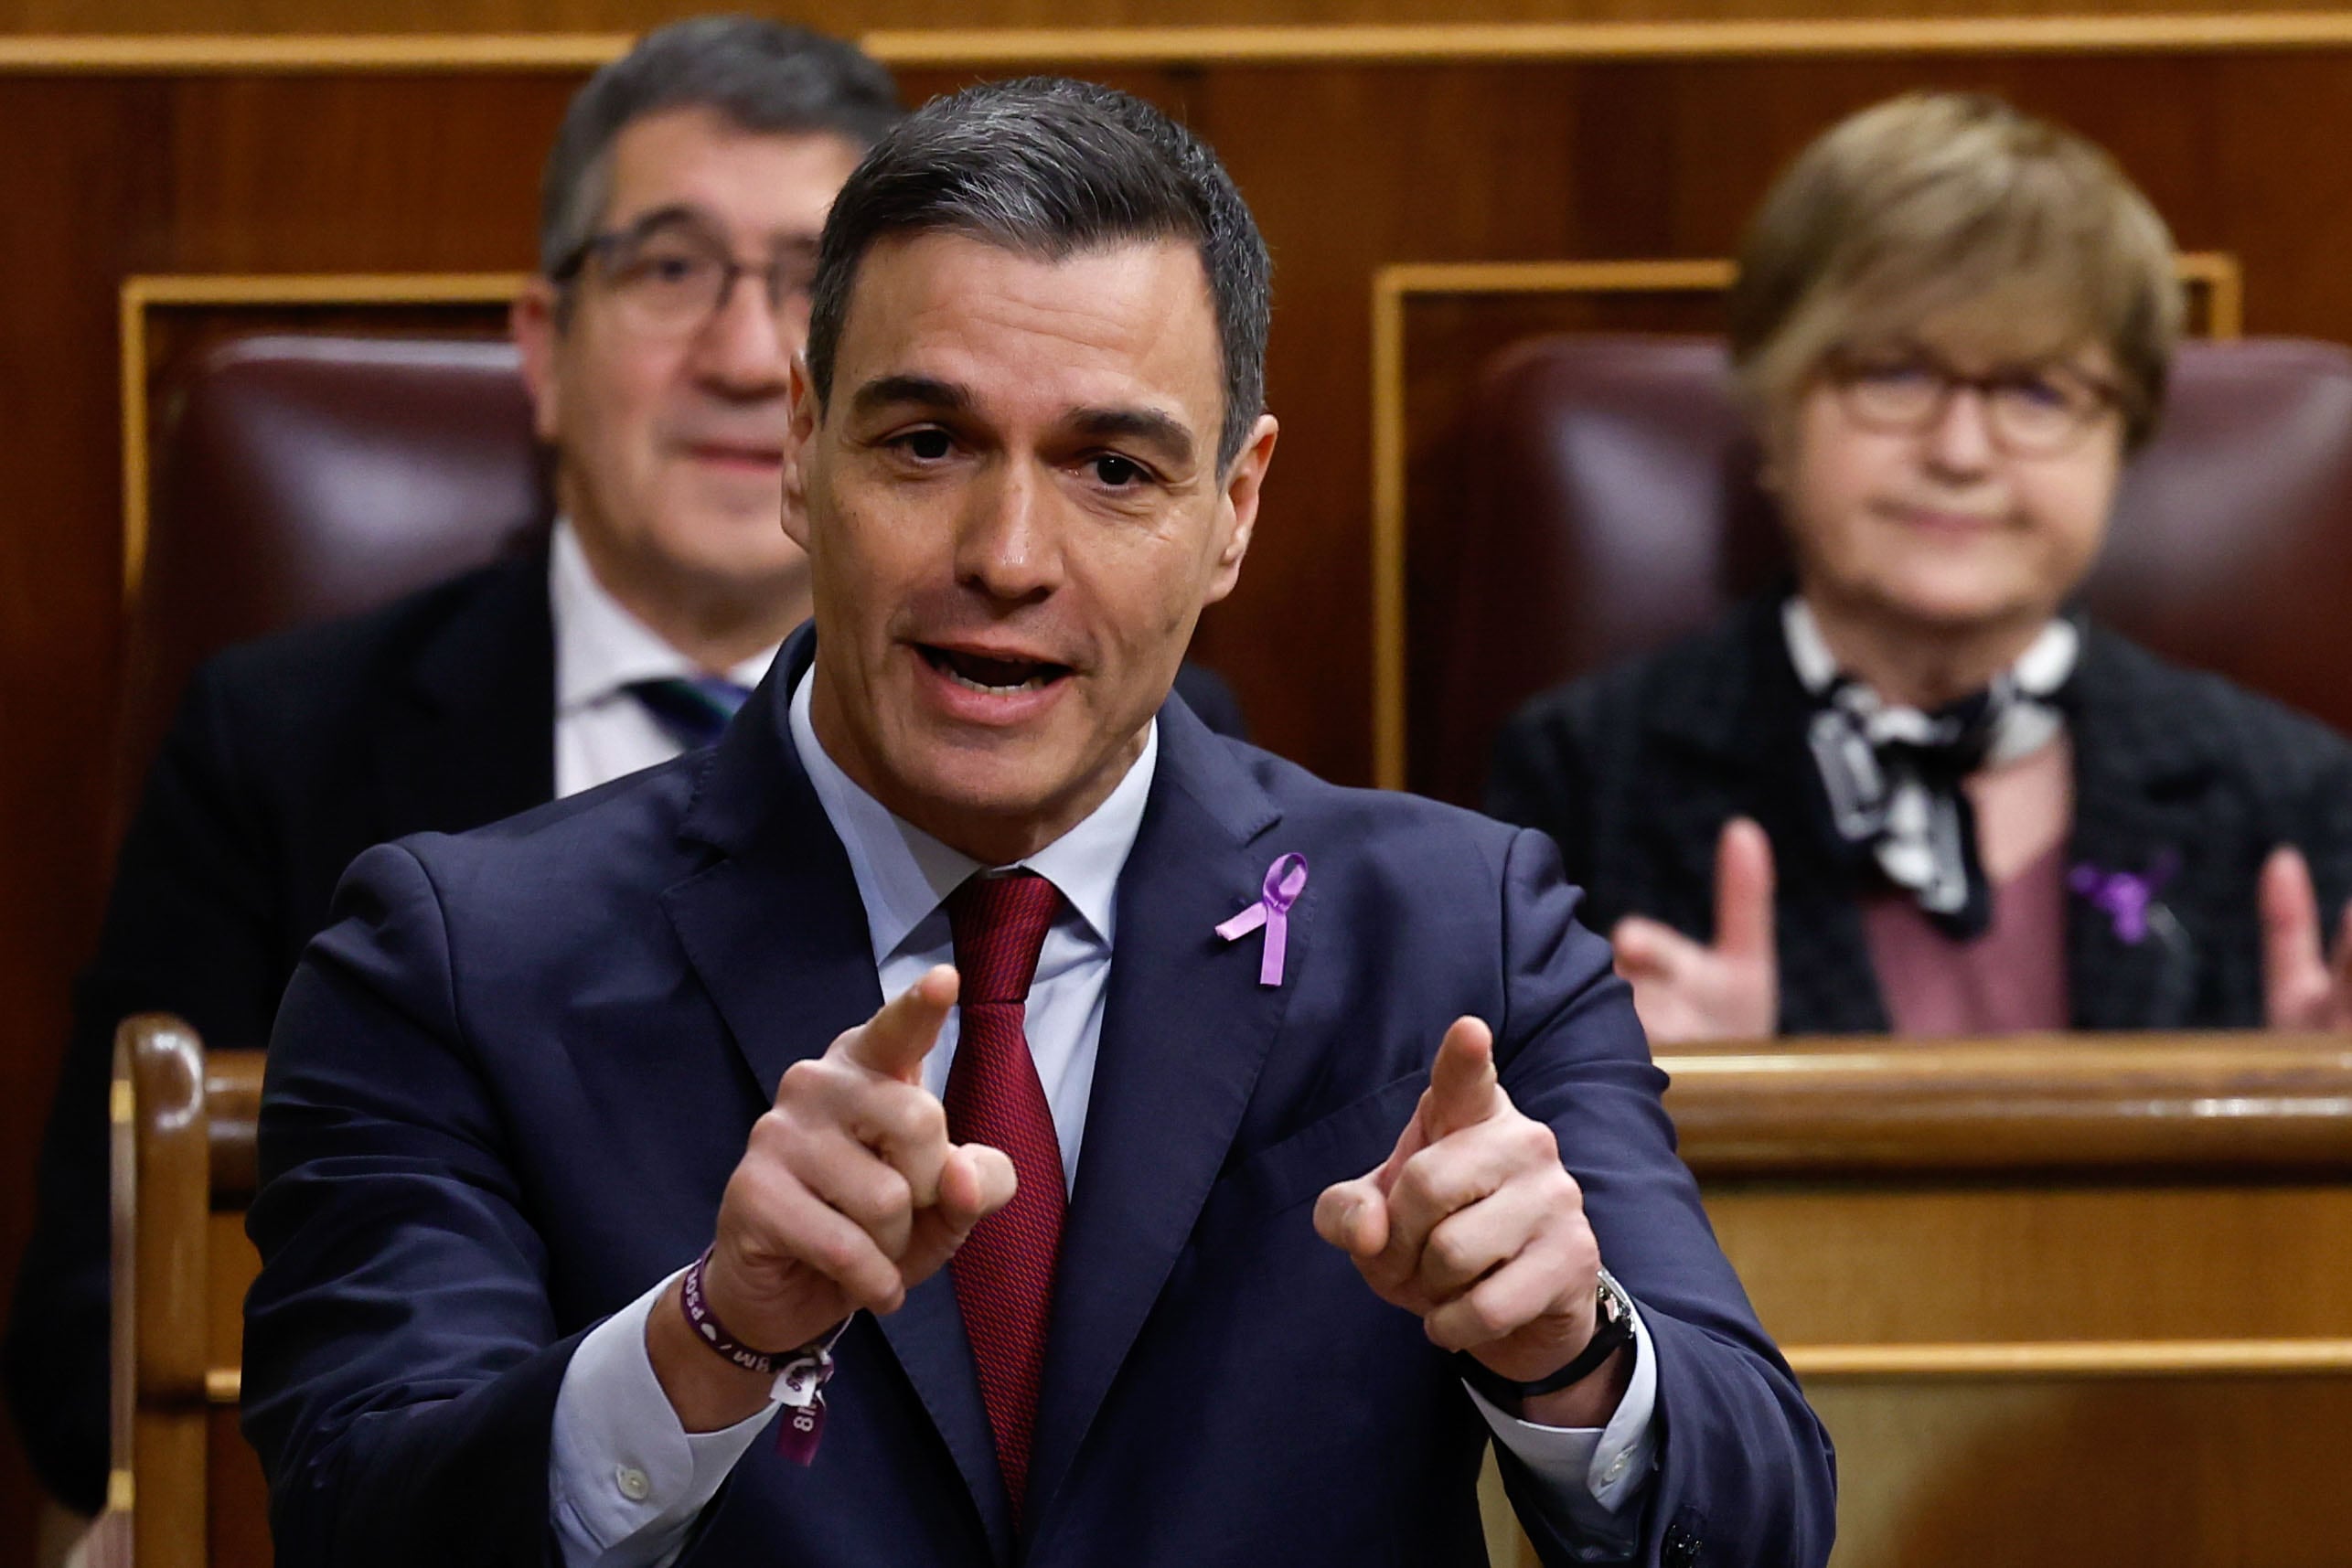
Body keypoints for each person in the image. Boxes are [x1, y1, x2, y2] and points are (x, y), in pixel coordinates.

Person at [240, 76, 1833, 1568]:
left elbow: (1758, 1514)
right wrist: (707, 1340)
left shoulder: (1455, 935)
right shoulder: (456, 960)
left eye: (1112, 468)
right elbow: (353, 1516)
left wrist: (1570, 1355)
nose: (1007, 552)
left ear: (1236, 509)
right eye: (926, 443)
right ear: (802, 448)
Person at [2, 16, 1242, 1525]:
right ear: (542, 344)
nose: (738, 352)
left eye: (801, 285)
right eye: (668, 269)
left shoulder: (1169, 757)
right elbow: (96, 1349)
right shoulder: (292, 746)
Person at [1489, 91, 2352, 1042]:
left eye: (2036, 389)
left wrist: (2312, 1128)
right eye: (1892, 374)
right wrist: (1656, 1107)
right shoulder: (1581, 775)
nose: (1960, 451)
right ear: (1773, 413)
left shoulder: (2289, 792)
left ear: (2124, 440)